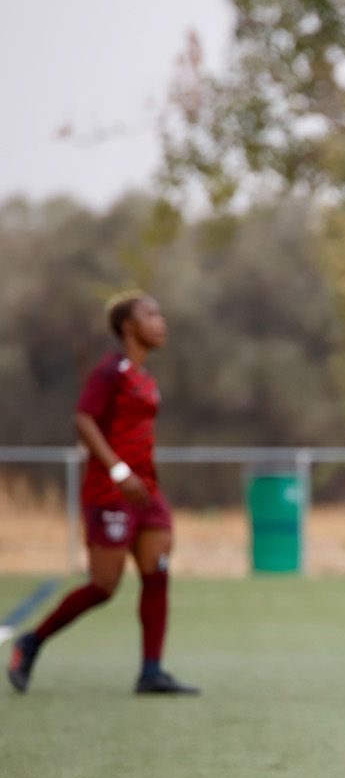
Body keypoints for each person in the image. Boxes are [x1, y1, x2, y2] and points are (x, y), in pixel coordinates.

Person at [6, 292, 199, 696]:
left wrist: (139, 476)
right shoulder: (111, 370)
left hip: (147, 492)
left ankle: (151, 671)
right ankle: (31, 642)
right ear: (128, 326)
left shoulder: (143, 377)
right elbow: (83, 418)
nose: (161, 321)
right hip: (110, 492)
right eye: (151, 314)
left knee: (157, 574)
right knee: (103, 586)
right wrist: (118, 470)